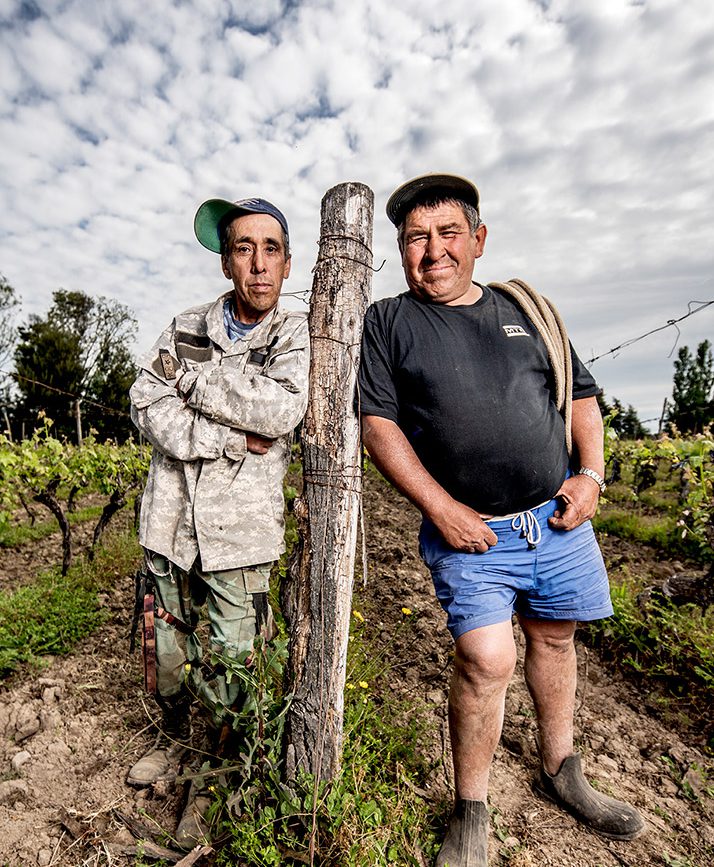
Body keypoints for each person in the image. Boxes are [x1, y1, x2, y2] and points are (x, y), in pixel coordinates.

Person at [358, 174, 644, 866]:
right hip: (472, 533)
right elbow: (378, 425)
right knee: (487, 659)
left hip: (557, 521)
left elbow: (581, 397)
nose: (434, 250)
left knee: (556, 638)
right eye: (416, 238)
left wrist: (591, 475)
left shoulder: (527, 310)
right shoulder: (388, 322)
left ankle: (562, 769)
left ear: (479, 240)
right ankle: (471, 809)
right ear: (402, 251)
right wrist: (441, 508)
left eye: (448, 233)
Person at [128, 195, 309, 849]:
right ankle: (172, 739)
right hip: (169, 523)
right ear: (226, 261)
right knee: (165, 651)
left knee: (236, 663)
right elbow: (144, 399)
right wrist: (225, 438)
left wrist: (196, 383)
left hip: (242, 535)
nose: (257, 263)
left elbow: (280, 411)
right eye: (243, 248)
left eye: (270, 249)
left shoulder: (295, 335)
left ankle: (216, 773)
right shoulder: (184, 325)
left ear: (286, 263)